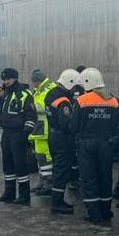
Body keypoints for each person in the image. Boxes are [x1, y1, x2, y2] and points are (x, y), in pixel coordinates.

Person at [71, 68, 119, 224]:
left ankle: (94, 214)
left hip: (87, 144)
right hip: (106, 143)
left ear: (88, 83)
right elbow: (117, 126)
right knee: (105, 177)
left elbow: (73, 126)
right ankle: (106, 211)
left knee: (89, 178)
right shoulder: (114, 101)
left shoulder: (82, 101)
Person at [0, 67, 38, 205]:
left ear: (15, 78)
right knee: (7, 164)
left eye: (8, 79)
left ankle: (24, 196)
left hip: (18, 133)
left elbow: (31, 115)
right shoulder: (5, 94)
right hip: (6, 133)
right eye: (4, 79)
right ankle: (9, 193)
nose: (6, 82)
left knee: (20, 165)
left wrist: (25, 133)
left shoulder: (24, 94)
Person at [46, 69, 81, 215]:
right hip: (62, 139)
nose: (75, 90)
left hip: (53, 136)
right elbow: (66, 124)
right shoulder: (64, 101)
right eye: (74, 87)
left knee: (57, 169)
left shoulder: (51, 93)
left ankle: (57, 201)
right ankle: (57, 203)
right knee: (61, 171)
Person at [28, 68, 58, 196]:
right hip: (39, 129)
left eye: (33, 82)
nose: (33, 85)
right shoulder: (41, 89)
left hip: (45, 128)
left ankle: (49, 184)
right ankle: (42, 181)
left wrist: (31, 106)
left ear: (37, 81)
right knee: (40, 157)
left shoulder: (48, 89)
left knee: (46, 157)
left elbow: (41, 107)